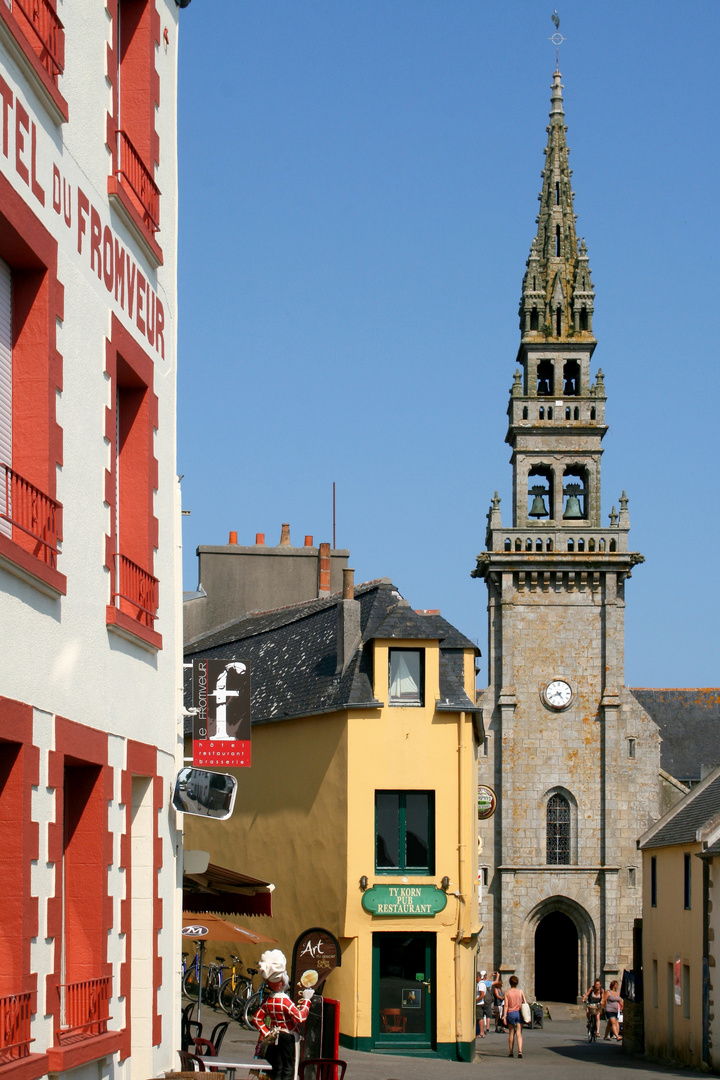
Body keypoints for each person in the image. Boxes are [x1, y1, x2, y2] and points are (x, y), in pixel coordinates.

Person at [252, 949, 314, 1079]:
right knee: (289, 1068)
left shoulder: (268, 1000)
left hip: (275, 1036)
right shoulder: (285, 1001)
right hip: (288, 1035)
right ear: (281, 981)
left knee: (277, 1068)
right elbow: (301, 1017)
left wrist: (267, 1033)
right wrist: (307, 1000)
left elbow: (257, 1018)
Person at [504, 974, 528, 1058]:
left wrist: (504, 1016)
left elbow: (506, 1005)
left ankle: (511, 1052)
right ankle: (520, 1051)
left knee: (511, 1033)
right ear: (517, 983)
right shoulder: (521, 992)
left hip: (510, 1013)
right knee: (519, 1033)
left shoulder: (507, 992)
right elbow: (525, 1002)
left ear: (510, 983)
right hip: (518, 1013)